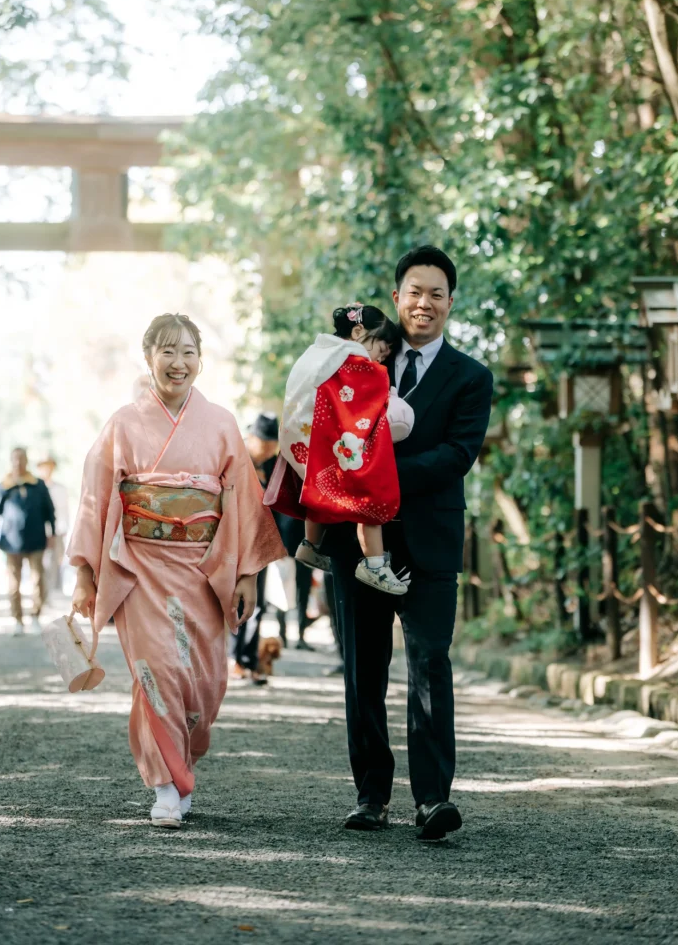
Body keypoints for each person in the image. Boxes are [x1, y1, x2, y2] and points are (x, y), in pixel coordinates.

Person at [69, 313, 285, 829]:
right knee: (157, 672)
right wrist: (85, 574)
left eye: (188, 352)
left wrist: (248, 575)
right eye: (167, 351)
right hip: (142, 570)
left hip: (203, 570)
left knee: (202, 683)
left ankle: (181, 762)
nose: (178, 362)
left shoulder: (221, 423)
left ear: (200, 361)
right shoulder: (123, 423)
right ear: (149, 359)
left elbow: (246, 503)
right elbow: (96, 499)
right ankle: (165, 785)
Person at [326, 246, 493, 840]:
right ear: (396, 298)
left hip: (431, 542)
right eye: (414, 292)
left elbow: (458, 455)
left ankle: (432, 800)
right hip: (357, 545)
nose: (424, 303)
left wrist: (378, 470)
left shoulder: (471, 377)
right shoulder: (359, 357)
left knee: (430, 663)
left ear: (450, 303)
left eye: (437, 294)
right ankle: (371, 795)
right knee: (363, 669)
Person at [268, 304, 414, 595]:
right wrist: (387, 392)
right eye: (381, 350)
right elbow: (370, 389)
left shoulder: (316, 352)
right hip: (323, 439)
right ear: (359, 332)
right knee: (367, 491)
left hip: (298, 439)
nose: (380, 359)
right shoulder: (351, 357)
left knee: (318, 488)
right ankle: (374, 564)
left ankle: (310, 545)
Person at [231, 413, 280, 685]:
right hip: (234, 540)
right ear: (252, 439)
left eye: (272, 446)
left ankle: (249, 661)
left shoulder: (273, 465)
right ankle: (232, 658)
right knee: (231, 599)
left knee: (257, 604)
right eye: (264, 445)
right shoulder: (236, 458)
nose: (268, 451)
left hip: (262, 541)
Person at [0, 447, 56, 635]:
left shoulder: (38, 484)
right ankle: (17, 619)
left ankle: (35, 615)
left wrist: (52, 532)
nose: (18, 463)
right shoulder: (4, 485)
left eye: (21, 459)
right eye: (15, 459)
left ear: (26, 461)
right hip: (11, 542)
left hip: (36, 539)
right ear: (11, 461)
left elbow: (49, 511)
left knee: (37, 579)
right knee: (13, 583)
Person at [37, 456, 70, 599]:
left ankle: (53, 593)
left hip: (57, 532)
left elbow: (64, 512)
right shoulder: (36, 489)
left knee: (56, 562)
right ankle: (42, 594)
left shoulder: (60, 489)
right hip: (40, 533)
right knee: (41, 564)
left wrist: (63, 530)